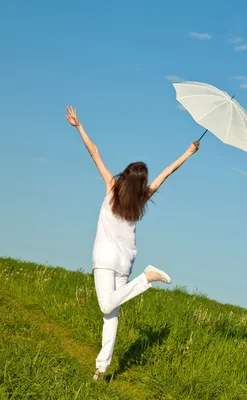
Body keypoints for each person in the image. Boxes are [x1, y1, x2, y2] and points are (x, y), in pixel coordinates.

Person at [64, 105, 199, 380]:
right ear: (142, 184)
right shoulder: (142, 199)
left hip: (104, 258)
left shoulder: (112, 187)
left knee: (105, 307)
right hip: (124, 261)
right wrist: (188, 152)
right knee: (110, 313)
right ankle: (101, 368)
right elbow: (167, 172)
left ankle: (146, 279)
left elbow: (95, 153)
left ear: (125, 174)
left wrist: (80, 127)